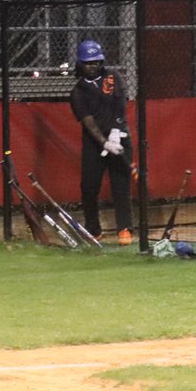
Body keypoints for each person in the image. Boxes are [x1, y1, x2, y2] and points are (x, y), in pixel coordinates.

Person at [69, 39, 133, 245]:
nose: (93, 66)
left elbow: (120, 104)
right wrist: (104, 143)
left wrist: (116, 132)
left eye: (96, 62)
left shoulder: (112, 77)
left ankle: (124, 229)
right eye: (88, 63)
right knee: (89, 187)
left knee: (120, 185)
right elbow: (88, 121)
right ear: (80, 64)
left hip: (120, 137)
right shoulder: (78, 91)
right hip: (94, 144)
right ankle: (93, 230)